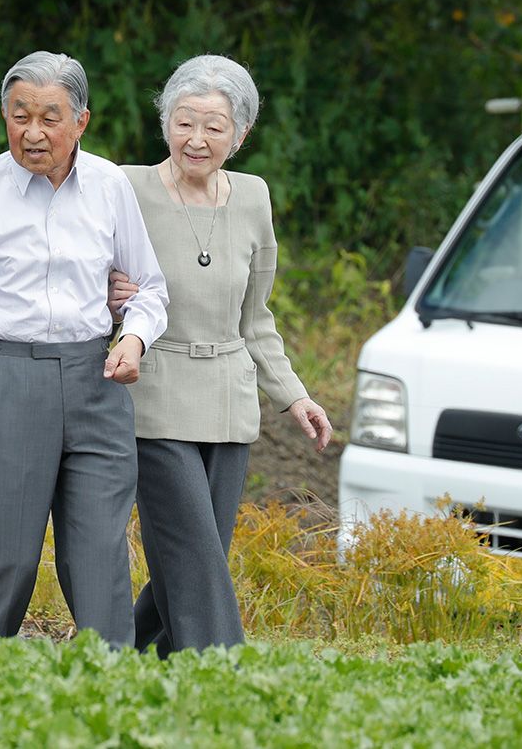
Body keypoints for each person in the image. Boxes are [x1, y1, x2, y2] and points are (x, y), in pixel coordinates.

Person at [0, 51, 170, 647]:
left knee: (101, 564)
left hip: (96, 382)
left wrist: (132, 338)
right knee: (5, 560)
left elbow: (151, 289)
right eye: (19, 115)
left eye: (50, 118)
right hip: (7, 380)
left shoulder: (110, 186)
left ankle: (112, 699)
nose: (32, 133)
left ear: (81, 121)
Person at [107, 54, 333, 656]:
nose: (196, 139)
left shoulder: (254, 197)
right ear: (164, 123)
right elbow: (81, 274)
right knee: (190, 547)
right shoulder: (125, 187)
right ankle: (223, 671)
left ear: (241, 134)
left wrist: (295, 395)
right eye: (184, 122)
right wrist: (105, 296)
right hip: (153, 393)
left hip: (230, 403)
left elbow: (257, 319)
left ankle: (124, 658)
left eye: (214, 126)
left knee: (200, 552)